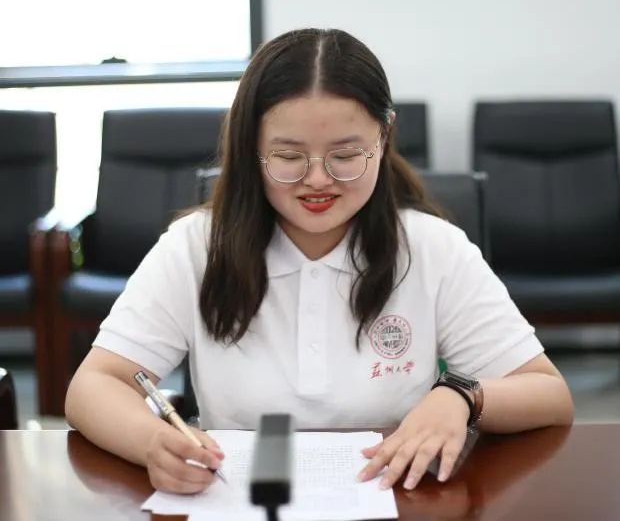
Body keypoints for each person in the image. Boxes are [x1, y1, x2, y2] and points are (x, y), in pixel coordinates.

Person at [66, 28, 573, 496]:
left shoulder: (432, 248)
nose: (317, 180)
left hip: (395, 498)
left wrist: (462, 397)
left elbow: (549, 394)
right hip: (238, 500)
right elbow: (95, 385)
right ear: (251, 145)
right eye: (288, 157)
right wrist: (151, 442)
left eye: (346, 155)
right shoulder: (198, 246)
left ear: (384, 136)